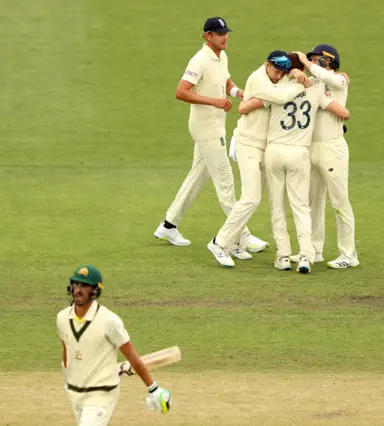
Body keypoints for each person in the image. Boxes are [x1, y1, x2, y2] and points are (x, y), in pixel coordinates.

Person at [153, 17, 267, 253]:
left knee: (197, 177)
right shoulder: (199, 60)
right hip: (206, 128)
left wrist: (238, 93)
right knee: (225, 182)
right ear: (207, 36)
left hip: (215, 126)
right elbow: (181, 92)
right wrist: (214, 102)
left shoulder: (221, 56)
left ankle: (168, 225)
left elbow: (225, 80)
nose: (224, 37)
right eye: (219, 34)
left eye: (225, 33)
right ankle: (241, 236)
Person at [239, 59, 350, 273]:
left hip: (274, 153)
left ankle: (282, 257)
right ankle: (306, 257)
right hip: (300, 154)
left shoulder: (277, 89)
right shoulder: (316, 90)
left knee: (277, 207)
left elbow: (245, 107)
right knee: (302, 207)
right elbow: (344, 113)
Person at [207, 50, 310, 267]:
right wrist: (301, 84)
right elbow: (281, 96)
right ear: (267, 64)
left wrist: (294, 71)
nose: (277, 75)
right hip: (248, 143)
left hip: (266, 148)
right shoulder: (258, 78)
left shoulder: (280, 77)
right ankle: (219, 242)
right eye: (275, 70)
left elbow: (282, 84)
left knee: (254, 198)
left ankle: (235, 243)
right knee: (251, 198)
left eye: (281, 72)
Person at [57, 265, 171, 425]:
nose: (78, 289)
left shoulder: (109, 321)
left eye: (84, 285)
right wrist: (67, 379)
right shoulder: (62, 318)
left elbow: (131, 355)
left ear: (95, 290)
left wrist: (153, 388)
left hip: (101, 394)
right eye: (76, 284)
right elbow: (67, 351)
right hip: (76, 391)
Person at [290, 45, 359, 269]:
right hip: (311, 149)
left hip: (332, 149)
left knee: (339, 201)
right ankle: (313, 250)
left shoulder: (339, 80)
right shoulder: (315, 83)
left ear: (329, 61)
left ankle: (348, 254)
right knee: (312, 202)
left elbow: (336, 82)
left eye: (316, 59)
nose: (312, 63)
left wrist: (308, 64)